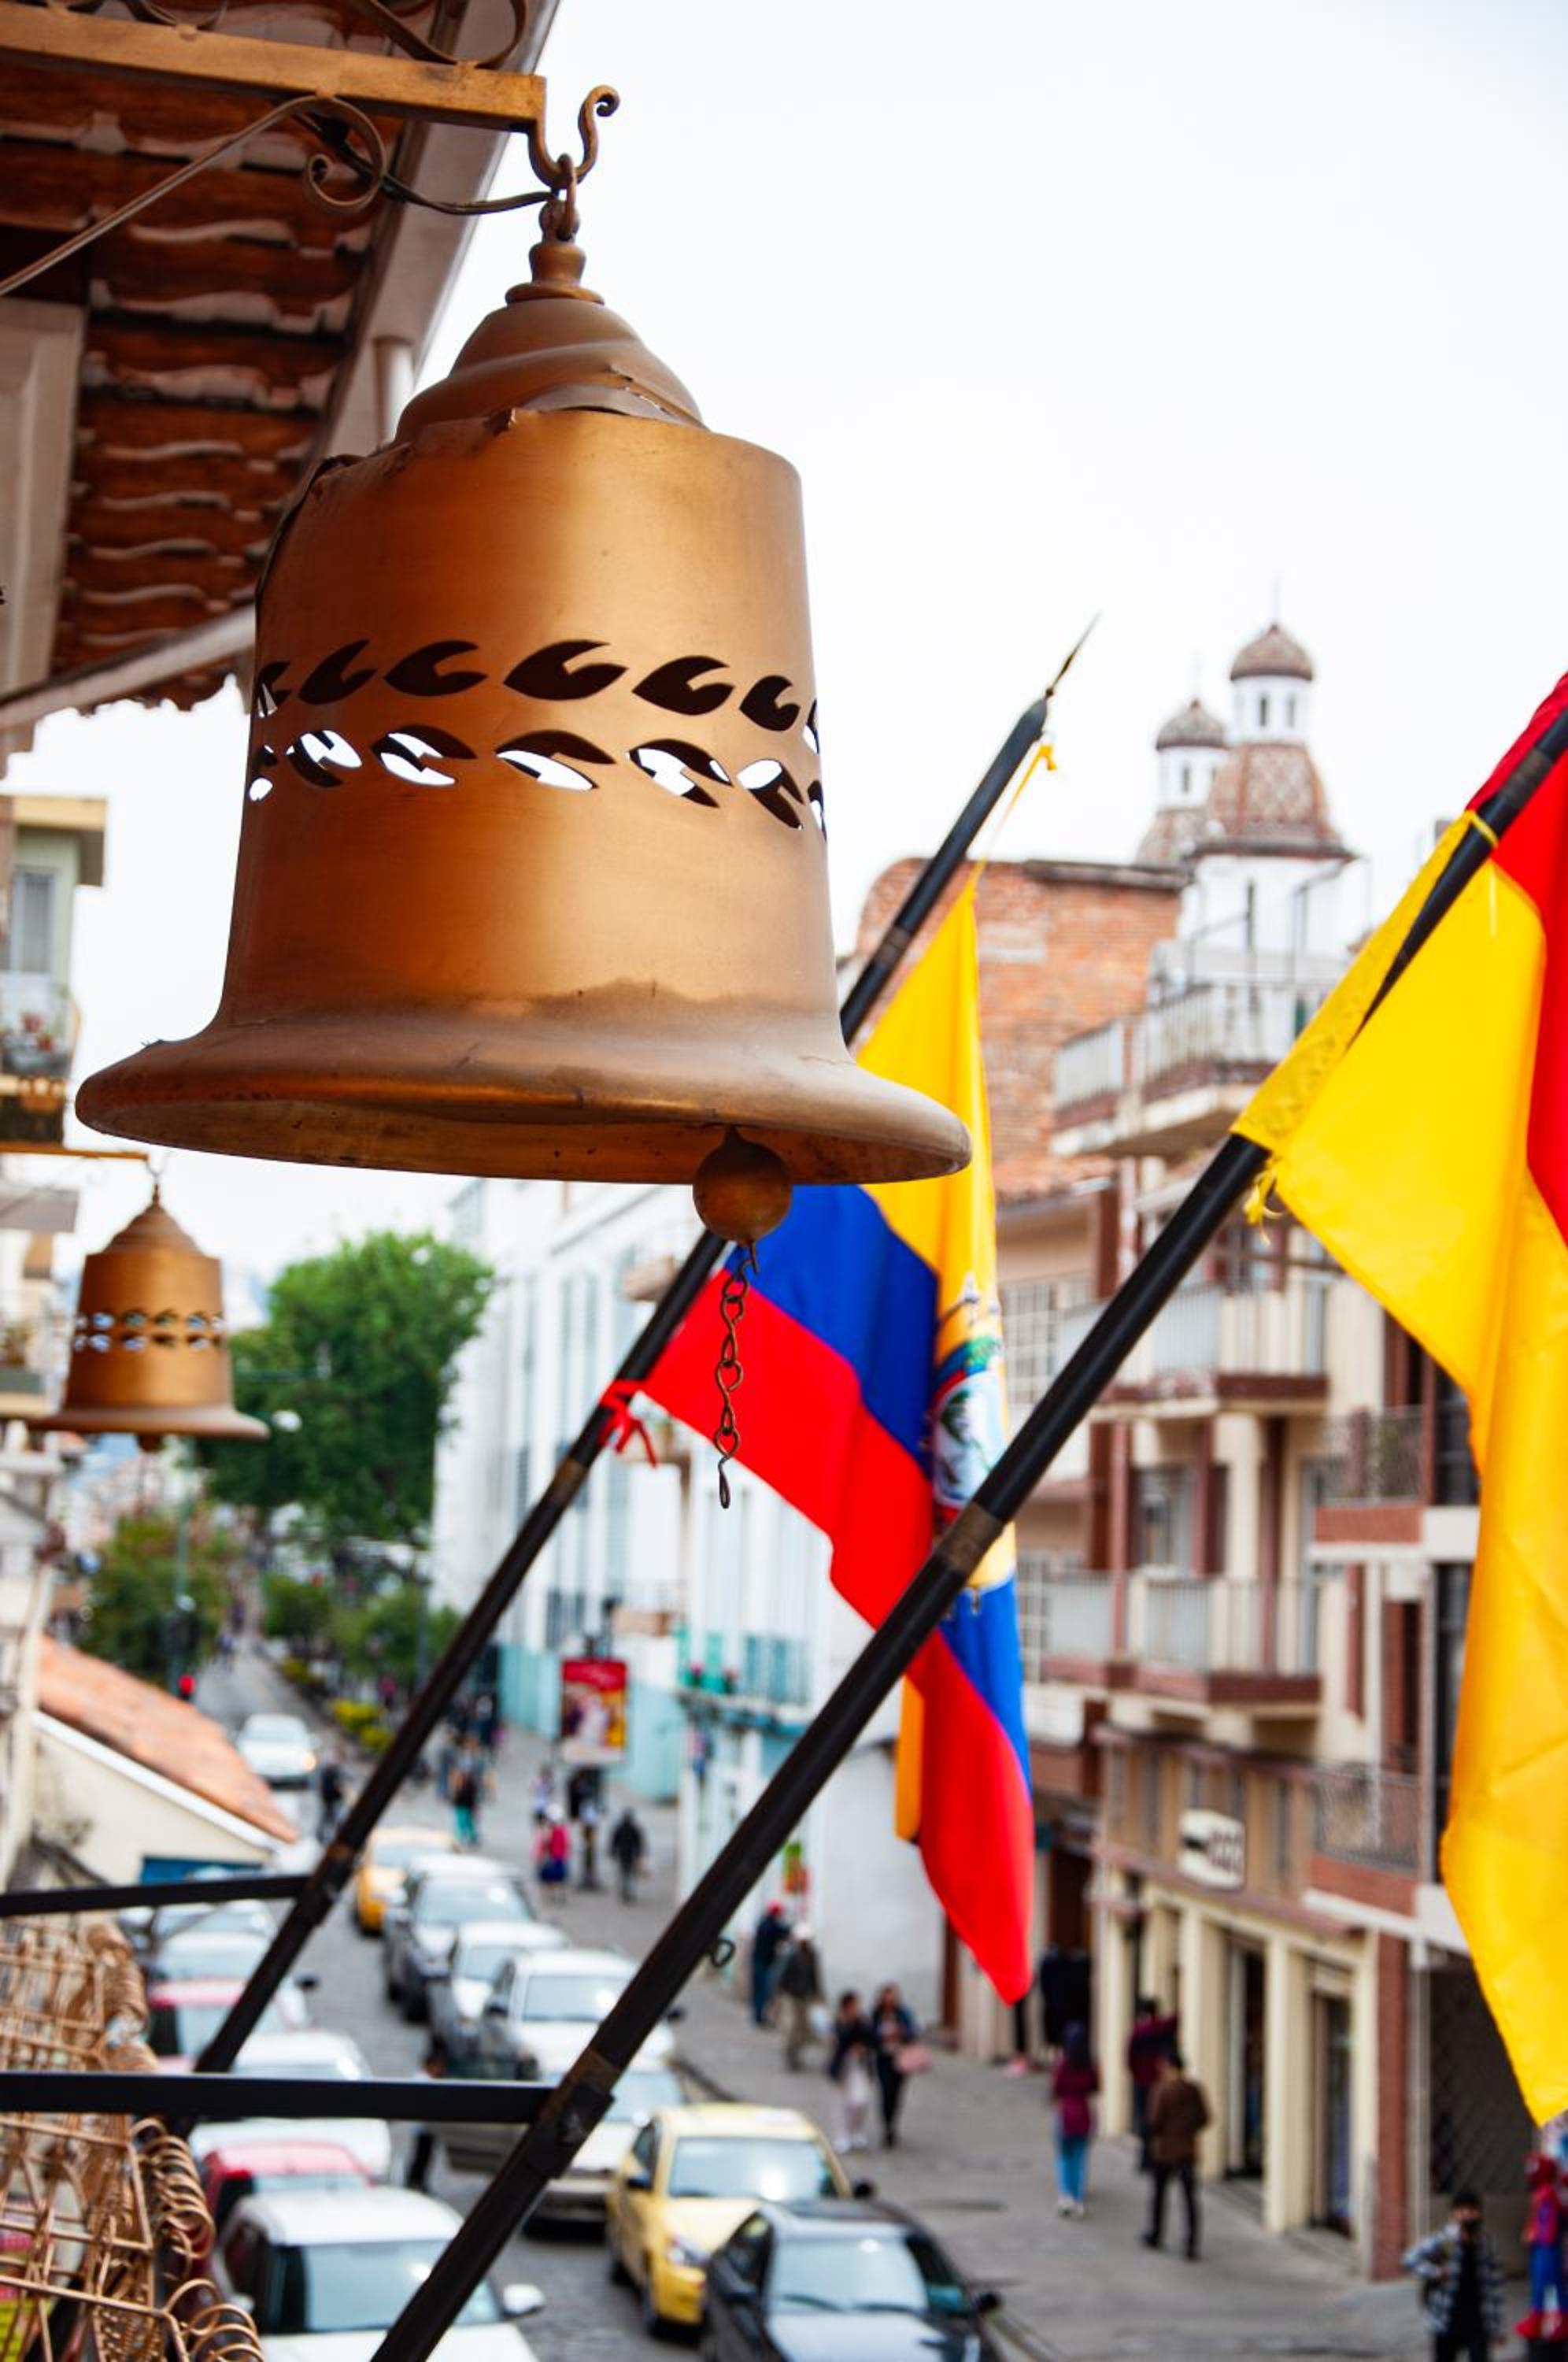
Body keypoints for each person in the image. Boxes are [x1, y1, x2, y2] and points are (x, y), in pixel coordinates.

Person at [1403, 2187, 1507, 2360]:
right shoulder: (1444, 2240)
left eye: (1471, 2210)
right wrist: (1435, 2272)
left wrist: (1497, 2328)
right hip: (1446, 2320)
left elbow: (1494, 2288)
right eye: (1461, 2211)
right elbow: (1410, 2259)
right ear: (1454, 2214)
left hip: (1477, 2322)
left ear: (1479, 2214)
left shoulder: (1486, 2245)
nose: (1467, 2215)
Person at [1141, 2049, 1210, 2260]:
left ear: (1170, 2067)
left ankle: (1156, 2234)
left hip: (1165, 2150)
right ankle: (1191, 2243)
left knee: (1160, 2195)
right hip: (1187, 2148)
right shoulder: (1194, 2089)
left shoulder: (1161, 2090)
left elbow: (1154, 2121)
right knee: (1189, 2198)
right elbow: (1204, 2118)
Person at [1051, 2021, 1100, 2218]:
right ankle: (1078, 2199)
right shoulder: (1090, 2066)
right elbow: (1096, 2087)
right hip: (1084, 2114)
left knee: (1065, 2157)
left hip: (1066, 2114)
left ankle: (1066, 2195)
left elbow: (1056, 2088)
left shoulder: (1063, 2065)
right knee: (1080, 2159)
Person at [1127, 1996, 1178, 2163]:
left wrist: (1137, 2074)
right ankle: (1159, 2153)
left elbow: (1130, 2058)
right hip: (1160, 2080)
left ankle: (1146, 2155)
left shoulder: (1138, 2031)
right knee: (1160, 2117)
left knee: (1145, 2117)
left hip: (1143, 2081)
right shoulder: (1161, 2028)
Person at [827, 1990, 877, 2154]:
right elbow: (840, 2041)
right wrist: (850, 2024)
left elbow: (872, 2040)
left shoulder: (863, 2021)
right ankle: (842, 2135)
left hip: (860, 2066)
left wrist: (863, 2047)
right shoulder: (840, 2021)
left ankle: (856, 2130)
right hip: (843, 2067)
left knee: (861, 2100)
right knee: (841, 2103)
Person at [1523, 2153, 1566, 2338]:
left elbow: (1546, 2224)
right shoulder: (1547, 2193)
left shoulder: (1547, 2194)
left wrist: (1534, 2235)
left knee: (1543, 2284)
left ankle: (1538, 2320)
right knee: (1554, 2285)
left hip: (1546, 2247)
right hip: (1547, 2247)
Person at [871, 1983, 918, 2149]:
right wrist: (881, 2036)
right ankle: (887, 2127)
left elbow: (913, 2032)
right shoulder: (876, 2014)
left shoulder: (903, 2013)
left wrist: (901, 2031)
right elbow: (870, 2035)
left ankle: (892, 2125)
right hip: (883, 2058)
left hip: (900, 2057)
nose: (890, 2001)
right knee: (886, 2092)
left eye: (892, 1998)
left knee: (896, 2094)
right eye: (887, 1998)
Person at [404, 2035, 448, 2193]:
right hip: (423, 2127)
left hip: (425, 2127)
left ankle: (417, 2181)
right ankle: (415, 2181)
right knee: (421, 2156)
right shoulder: (424, 2080)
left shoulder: (423, 2078)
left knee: (423, 2156)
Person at [776, 1927, 823, 2071]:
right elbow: (783, 1975)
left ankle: (797, 2053)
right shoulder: (792, 1955)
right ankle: (789, 2052)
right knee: (791, 2025)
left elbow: (814, 1975)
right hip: (791, 1996)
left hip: (804, 1996)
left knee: (802, 2028)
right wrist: (779, 1993)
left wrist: (817, 1993)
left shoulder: (812, 1956)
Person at [750, 1903, 788, 2028]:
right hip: (763, 1961)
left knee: (759, 1989)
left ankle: (757, 2014)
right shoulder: (770, 1925)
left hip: (759, 1960)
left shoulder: (764, 1923)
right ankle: (758, 2016)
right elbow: (782, 1931)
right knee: (762, 1990)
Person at [608, 1807, 646, 1903]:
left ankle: (624, 1892)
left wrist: (612, 1852)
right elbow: (639, 1843)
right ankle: (628, 1892)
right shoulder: (634, 1829)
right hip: (631, 1855)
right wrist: (639, 1855)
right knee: (630, 1875)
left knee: (623, 1874)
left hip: (622, 1855)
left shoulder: (619, 1828)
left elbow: (614, 1842)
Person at [450, 1744, 483, 1848]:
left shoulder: (471, 1783)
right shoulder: (460, 1781)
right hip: (462, 1805)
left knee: (467, 1823)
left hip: (467, 1805)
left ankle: (469, 1838)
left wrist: (475, 1807)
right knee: (463, 1823)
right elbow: (456, 1792)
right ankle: (465, 1838)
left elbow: (473, 1796)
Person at [316, 1747, 346, 1842]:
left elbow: (343, 1784)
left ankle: (336, 1836)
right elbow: (319, 1783)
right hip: (326, 1797)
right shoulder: (324, 1769)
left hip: (336, 1798)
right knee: (325, 1816)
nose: (332, 1760)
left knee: (336, 1817)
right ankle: (320, 1835)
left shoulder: (339, 1770)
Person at [578, 1790, 602, 1890]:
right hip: (588, 1833)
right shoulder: (586, 1808)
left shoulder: (589, 1808)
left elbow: (591, 1825)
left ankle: (590, 1878)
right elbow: (584, 1825)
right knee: (587, 1859)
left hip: (590, 1833)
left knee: (590, 1859)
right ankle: (587, 1878)